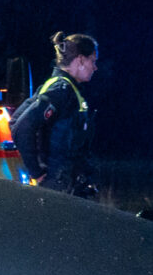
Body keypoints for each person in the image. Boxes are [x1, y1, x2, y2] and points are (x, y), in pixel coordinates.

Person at [11, 33, 99, 197]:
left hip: (66, 183)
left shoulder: (66, 88)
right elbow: (22, 127)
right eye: (92, 61)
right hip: (59, 185)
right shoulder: (60, 90)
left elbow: (16, 119)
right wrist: (36, 171)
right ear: (80, 60)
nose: (95, 67)